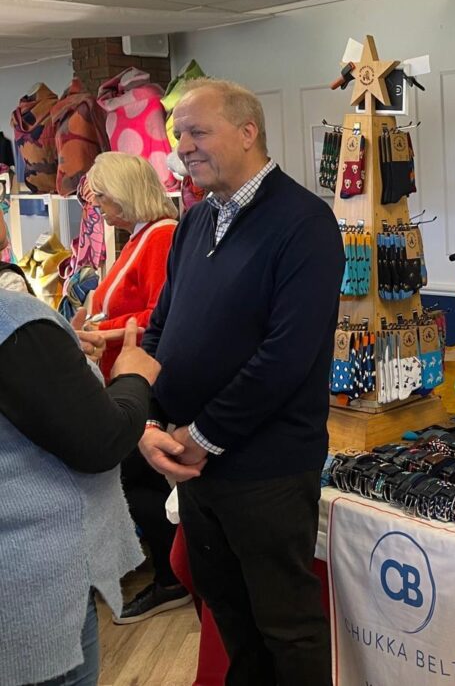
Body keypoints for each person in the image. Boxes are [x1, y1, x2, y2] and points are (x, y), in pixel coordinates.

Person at [137, 79, 342, 686]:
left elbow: (286, 356)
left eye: (197, 132)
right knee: (228, 611)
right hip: (193, 465)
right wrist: (150, 418)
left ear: (248, 132)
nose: (184, 148)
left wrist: (203, 435)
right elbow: (162, 329)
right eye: (179, 135)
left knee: (286, 626)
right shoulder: (194, 221)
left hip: (267, 469)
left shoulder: (304, 222)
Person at [0, 307, 160, 686]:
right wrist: (135, 376)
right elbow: (103, 439)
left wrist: (62, 363)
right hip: (33, 588)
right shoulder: (11, 323)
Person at [77, 151, 186, 624]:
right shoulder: (143, 236)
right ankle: (169, 572)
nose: (97, 204)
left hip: (141, 377)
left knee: (137, 479)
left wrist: (101, 328)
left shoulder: (159, 237)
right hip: (126, 374)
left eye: (102, 195)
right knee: (134, 478)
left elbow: (162, 316)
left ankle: (172, 578)